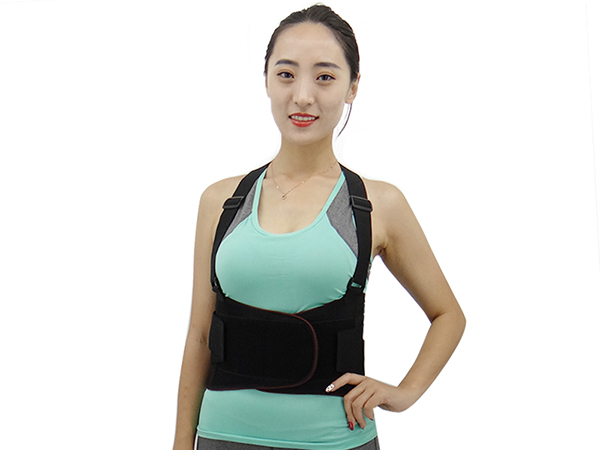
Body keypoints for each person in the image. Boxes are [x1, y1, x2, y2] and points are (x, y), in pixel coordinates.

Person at [173, 4, 466, 450]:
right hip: (222, 437)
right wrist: (180, 443)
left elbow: (448, 316)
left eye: (325, 76)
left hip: (334, 440)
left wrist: (403, 393)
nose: (303, 96)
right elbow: (199, 338)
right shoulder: (221, 202)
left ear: (353, 86)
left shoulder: (376, 204)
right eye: (286, 74)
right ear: (266, 80)